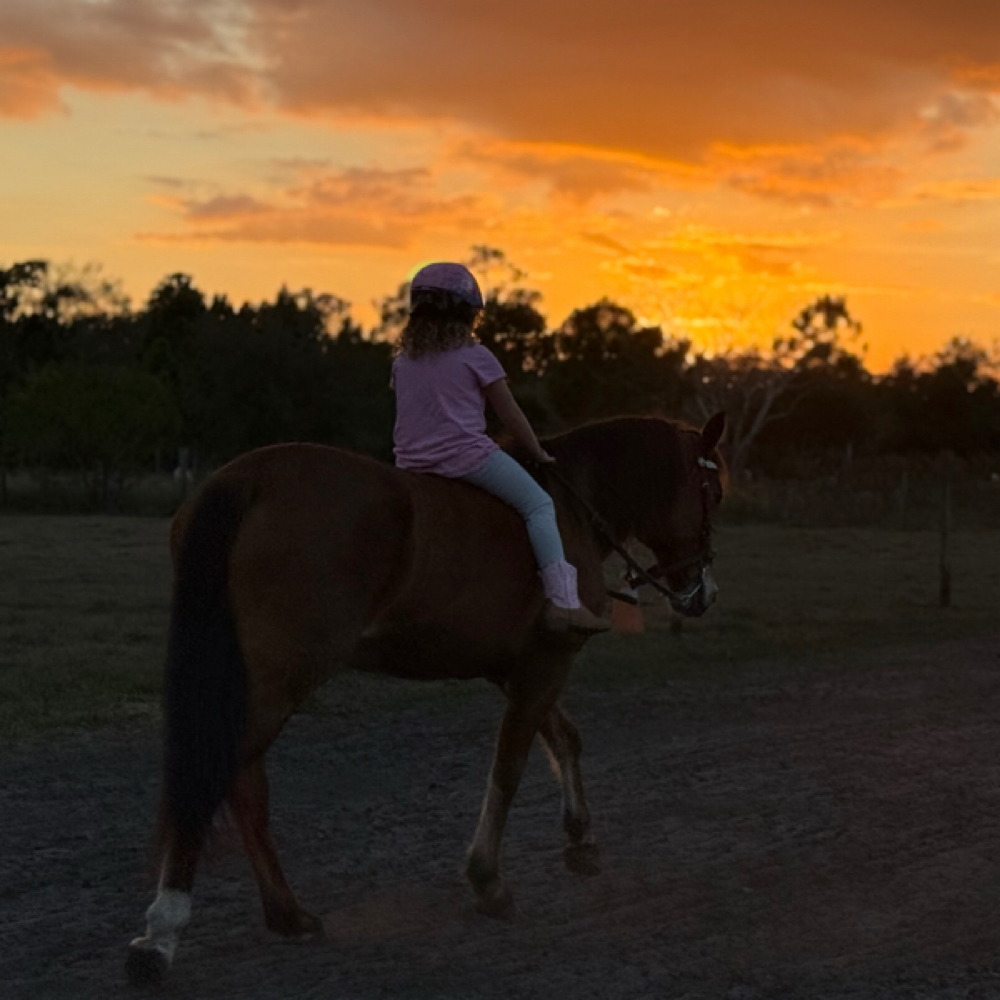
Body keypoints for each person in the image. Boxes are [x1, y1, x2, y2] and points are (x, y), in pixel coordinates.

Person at [390, 262, 610, 635]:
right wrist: (538, 453)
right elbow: (510, 415)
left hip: (410, 463)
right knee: (538, 505)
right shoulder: (476, 356)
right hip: (466, 459)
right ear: (467, 313)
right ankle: (564, 604)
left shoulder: (402, 362)